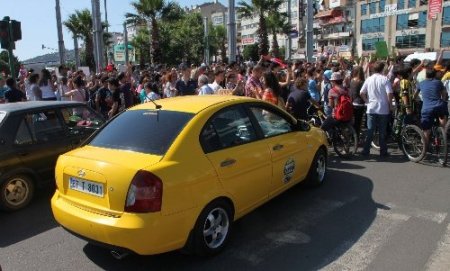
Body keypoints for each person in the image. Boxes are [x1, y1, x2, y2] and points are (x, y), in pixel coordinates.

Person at [360, 62, 394, 157]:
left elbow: (362, 92)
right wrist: (390, 104)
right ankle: (383, 151)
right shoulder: (385, 79)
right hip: (383, 108)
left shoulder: (369, 79)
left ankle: (366, 150)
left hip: (371, 108)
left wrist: (367, 101)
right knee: (382, 132)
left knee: (370, 130)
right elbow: (389, 93)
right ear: (382, 69)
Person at [414, 68, 448, 148]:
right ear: (435, 75)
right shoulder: (438, 82)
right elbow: (444, 94)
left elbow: (415, 95)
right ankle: (442, 132)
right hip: (439, 106)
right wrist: (443, 101)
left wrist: (414, 99)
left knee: (426, 130)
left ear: (426, 75)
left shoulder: (421, 83)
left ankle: (424, 149)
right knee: (442, 116)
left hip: (427, 108)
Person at [349, 66, 366, 138]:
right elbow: (363, 93)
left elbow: (351, 93)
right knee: (358, 122)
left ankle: (353, 136)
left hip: (353, 102)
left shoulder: (352, 81)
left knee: (354, 120)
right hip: (360, 103)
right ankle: (356, 136)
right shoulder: (362, 81)